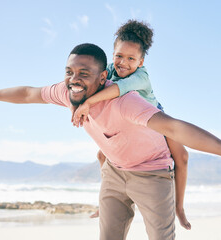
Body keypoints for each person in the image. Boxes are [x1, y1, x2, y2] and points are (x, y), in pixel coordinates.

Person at [0, 43, 221, 240]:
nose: (73, 79)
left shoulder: (127, 102)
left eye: (83, 73)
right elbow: (27, 93)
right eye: (69, 71)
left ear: (102, 77)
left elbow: (174, 127)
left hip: (153, 174)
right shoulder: (66, 90)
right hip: (114, 174)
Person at [71, 20, 191, 229]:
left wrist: (88, 103)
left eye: (131, 58)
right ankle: (107, 202)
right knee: (102, 156)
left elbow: (118, 89)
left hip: (155, 118)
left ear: (141, 61)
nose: (123, 62)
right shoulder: (107, 69)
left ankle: (179, 207)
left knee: (182, 156)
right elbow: (89, 81)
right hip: (128, 125)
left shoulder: (141, 76)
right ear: (113, 54)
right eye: (119, 56)